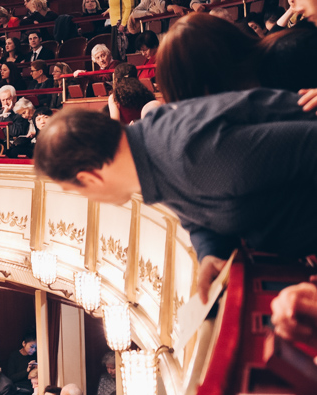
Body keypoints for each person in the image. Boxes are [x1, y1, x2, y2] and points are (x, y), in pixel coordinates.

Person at [33, 94, 317, 301]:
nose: (90, 200)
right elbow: (200, 215)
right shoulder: (150, 155)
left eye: (78, 192)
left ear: (89, 178)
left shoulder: (193, 155)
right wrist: (211, 253)